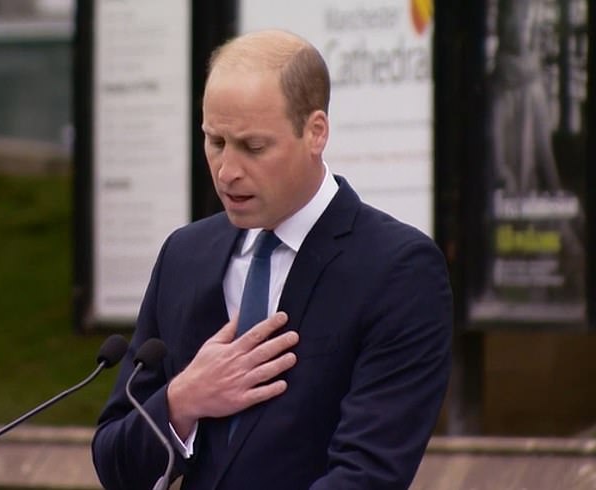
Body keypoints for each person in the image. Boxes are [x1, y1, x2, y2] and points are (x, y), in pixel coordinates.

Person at [92, 30, 452, 490]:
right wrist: (182, 401)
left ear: (315, 132)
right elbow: (114, 465)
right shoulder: (184, 255)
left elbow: (367, 475)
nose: (227, 171)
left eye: (254, 147)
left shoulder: (398, 271)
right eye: (215, 142)